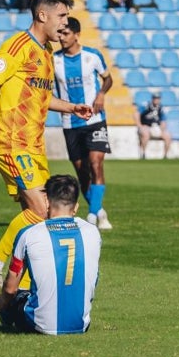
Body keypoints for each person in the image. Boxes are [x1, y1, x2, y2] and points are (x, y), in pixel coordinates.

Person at [0, 0, 93, 298]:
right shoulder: (18, 46)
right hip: (12, 142)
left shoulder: (45, 54)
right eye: (62, 16)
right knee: (43, 211)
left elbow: (40, 96)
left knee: (38, 220)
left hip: (33, 146)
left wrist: (70, 107)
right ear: (43, 15)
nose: (65, 24)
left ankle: (20, 292)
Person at [0, 174, 102, 335]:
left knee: (14, 294)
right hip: (81, 324)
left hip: (37, 324)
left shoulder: (28, 234)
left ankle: (7, 321)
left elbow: (10, 288)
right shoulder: (93, 232)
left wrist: (2, 302)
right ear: (75, 207)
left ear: (47, 202)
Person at [54, 17, 113, 230]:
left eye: (65, 33)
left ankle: (90, 215)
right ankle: (99, 210)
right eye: (59, 33)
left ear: (77, 35)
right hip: (70, 123)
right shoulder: (54, 60)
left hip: (95, 119)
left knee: (96, 163)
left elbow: (108, 78)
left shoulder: (92, 56)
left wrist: (101, 94)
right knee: (82, 171)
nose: (61, 37)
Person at [135, 92, 171, 159]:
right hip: (145, 126)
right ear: (152, 99)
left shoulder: (160, 108)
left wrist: (162, 129)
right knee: (145, 134)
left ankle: (165, 156)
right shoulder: (146, 105)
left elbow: (163, 120)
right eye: (155, 98)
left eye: (158, 98)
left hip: (156, 127)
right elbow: (137, 114)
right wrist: (139, 125)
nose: (156, 100)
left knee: (168, 136)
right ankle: (143, 154)